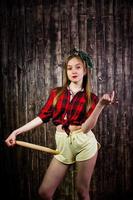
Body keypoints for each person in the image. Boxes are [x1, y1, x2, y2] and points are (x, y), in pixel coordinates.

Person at [5, 48, 115, 200]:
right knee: (44, 192)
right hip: (63, 145)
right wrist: (16, 132)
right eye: (69, 68)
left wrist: (100, 106)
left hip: (84, 143)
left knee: (82, 192)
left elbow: (85, 128)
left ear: (85, 71)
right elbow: (41, 117)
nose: (73, 71)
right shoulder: (56, 93)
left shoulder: (92, 98)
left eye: (78, 67)